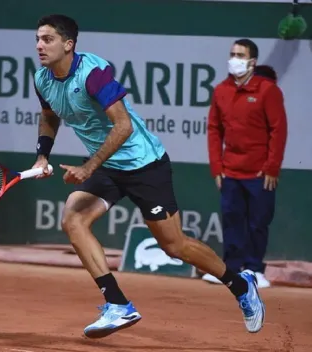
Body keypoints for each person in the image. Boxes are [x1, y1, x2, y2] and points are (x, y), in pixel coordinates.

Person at [31, 14, 265, 339]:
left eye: (48, 39)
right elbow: (48, 115)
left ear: (68, 44)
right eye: (38, 39)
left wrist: (89, 167)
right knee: (73, 219)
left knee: (174, 245)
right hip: (109, 165)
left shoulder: (92, 75)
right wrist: (43, 154)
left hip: (144, 164)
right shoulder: (42, 79)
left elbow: (124, 126)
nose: (40, 45)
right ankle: (117, 304)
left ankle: (240, 284)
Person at [204, 39, 288, 289]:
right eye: (232, 54)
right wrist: (216, 167)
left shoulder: (268, 90)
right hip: (230, 170)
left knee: (257, 222)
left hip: (260, 173)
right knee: (231, 219)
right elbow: (213, 129)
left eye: (240, 54)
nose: (234, 58)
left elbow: (278, 130)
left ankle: (254, 269)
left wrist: (272, 167)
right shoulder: (221, 90)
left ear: (252, 62)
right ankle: (230, 268)